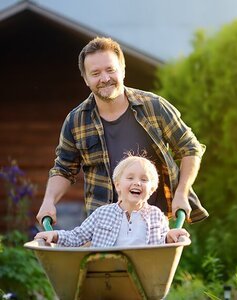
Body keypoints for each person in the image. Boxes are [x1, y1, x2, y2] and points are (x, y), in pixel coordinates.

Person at [36, 37, 208, 226]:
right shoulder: (76, 120)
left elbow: (189, 148)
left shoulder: (154, 107)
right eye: (95, 73)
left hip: (156, 225)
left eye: (110, 69)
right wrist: (48, 201)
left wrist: (181, 194)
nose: (105, 78)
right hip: (104, 227)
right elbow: (64, 168)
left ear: (123, 70)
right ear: (86, 79)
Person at [34, 155, 190, 247]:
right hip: (106, 274)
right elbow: (77, 236)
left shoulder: (156, 216)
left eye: (144, 180)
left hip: (143, 276)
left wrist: (170, 236)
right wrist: (55, 236)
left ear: (152, 189)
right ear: (118, 185)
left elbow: (162, 242)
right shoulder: (102, 214)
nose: (137, 183)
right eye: (130, 178)